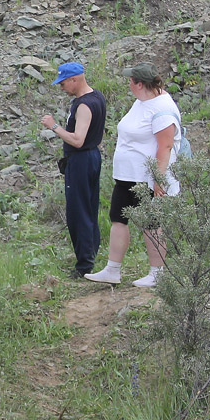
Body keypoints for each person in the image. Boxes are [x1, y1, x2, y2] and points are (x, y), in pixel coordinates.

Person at [85, 62, 182, 288]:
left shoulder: (162, 109)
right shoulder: (142, 101)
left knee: (151, 223)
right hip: (128, 175)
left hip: (146, 177)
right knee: (118, 218)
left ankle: (157, 273)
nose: (128, 83)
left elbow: (165, 146)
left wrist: (158, 179)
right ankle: (112, 269)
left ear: (140, 84)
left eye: (131, 80)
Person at [41, 62, 107, 278]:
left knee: (78, 212)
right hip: (91, 157)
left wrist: (54, 126)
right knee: (89, 206)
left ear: (75, 80)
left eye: (63, 83)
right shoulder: (97, 97)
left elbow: (78, 140)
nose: (62, 88)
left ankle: (84, 264)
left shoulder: (84, 105)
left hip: (81, 160)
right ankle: (89, 254)